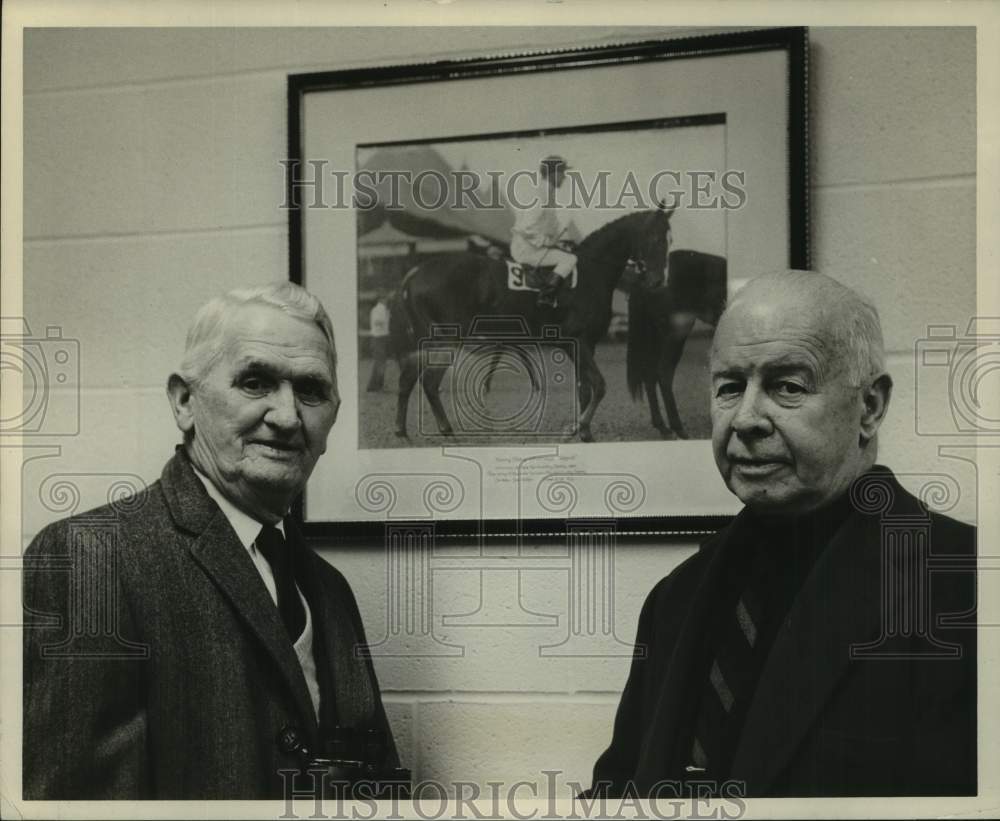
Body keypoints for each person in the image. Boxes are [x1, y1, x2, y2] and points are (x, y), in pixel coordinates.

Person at [588, 271, 976, 797]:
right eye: (729, 387)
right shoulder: (675, 597)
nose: (746, 418)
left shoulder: (967, 585)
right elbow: (621, 789)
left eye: (787, 386)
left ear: (870, 407)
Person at [23, 282, 400, 799]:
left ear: (332, 415)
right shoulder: (93, 557)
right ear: (184, 401)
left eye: (310, 390)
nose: (288, 417)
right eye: (255, 382)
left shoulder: (330, 590)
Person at [510, 155, 578, 308]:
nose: (564, 177)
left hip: (534, 247)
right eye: (562, 173)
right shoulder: (540, 195)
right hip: (527, 250)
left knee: (569, 254)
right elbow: (526, 228)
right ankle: (547, 296)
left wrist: (566, 240)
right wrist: (547, 243)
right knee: (570, 259)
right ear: (553, 174)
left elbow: (554, 227)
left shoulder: (548, 194)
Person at [366, 289, 391, 392]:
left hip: (381, 338)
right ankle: (376, 386)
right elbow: (377, 322)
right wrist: (386, 319)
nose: (386, 300)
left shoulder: (383, 309)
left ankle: (375, 386)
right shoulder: (378, 309)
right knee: (380, 363)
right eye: (385, 298)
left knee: (380, 363)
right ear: (381, 299)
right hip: (379, 338)